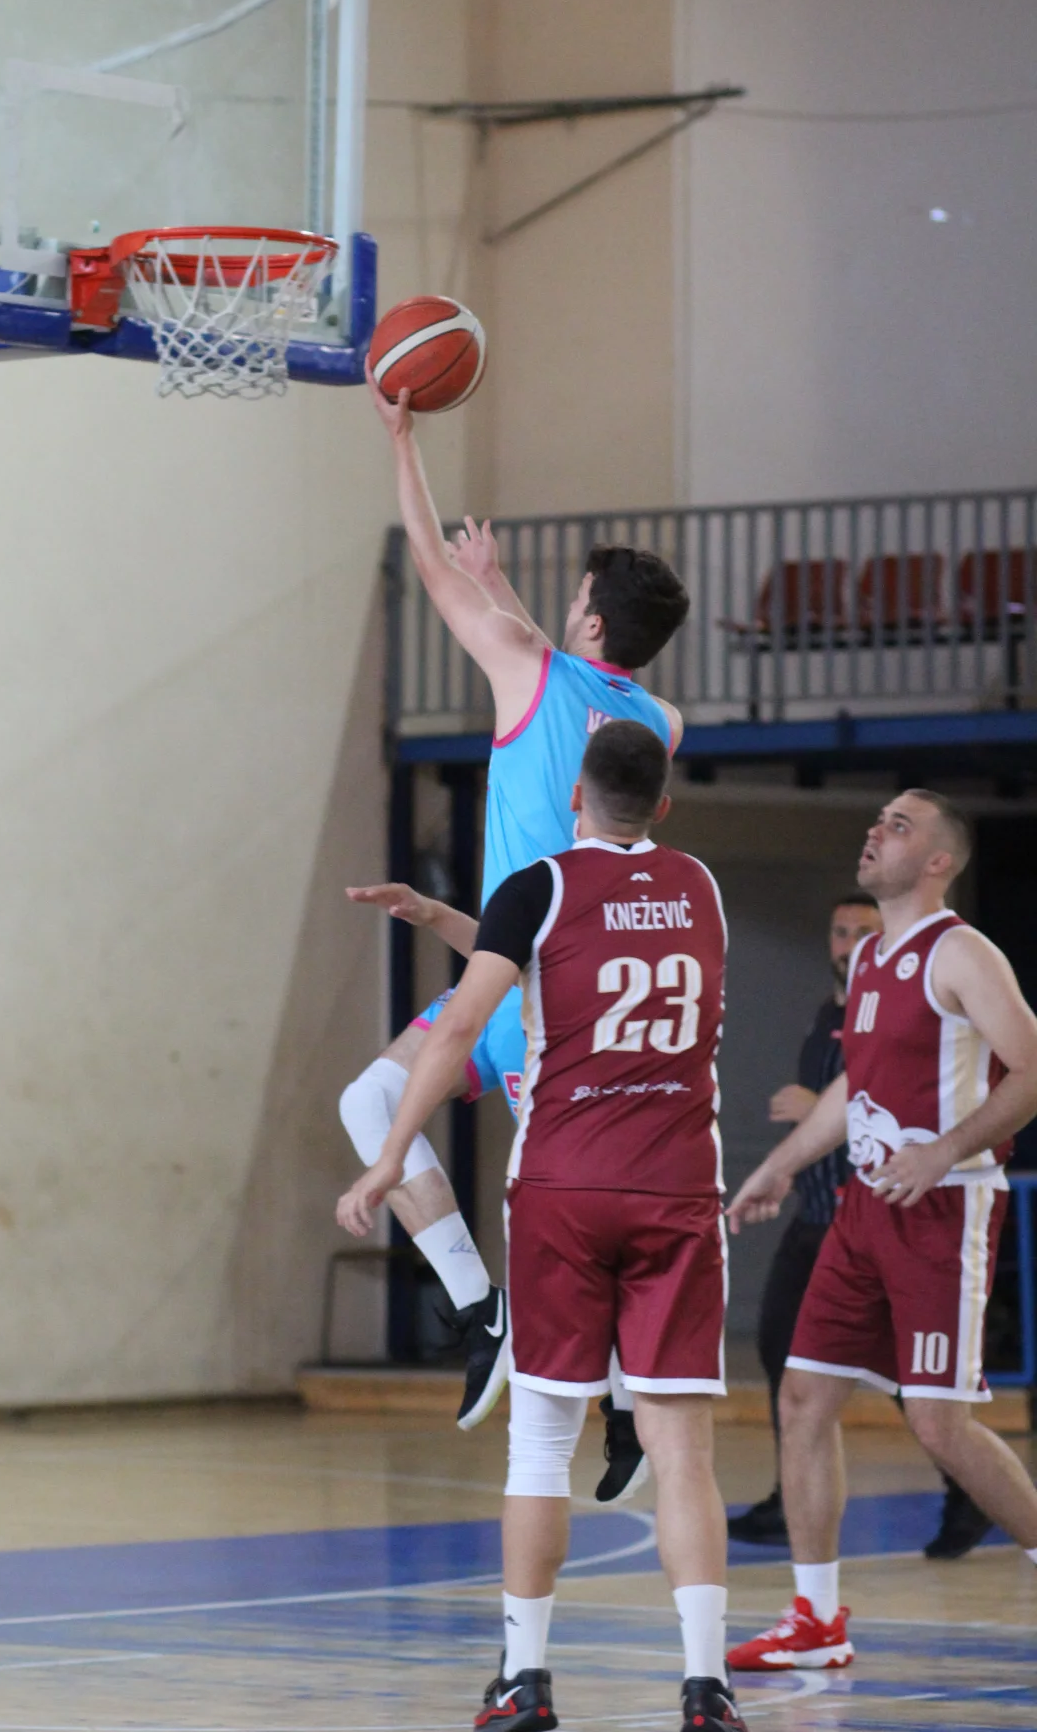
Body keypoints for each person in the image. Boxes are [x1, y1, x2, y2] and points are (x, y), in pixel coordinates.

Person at [338, 721, 747, 1732]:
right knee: (684, 1456)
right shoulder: (701, 888)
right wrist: (444, 914)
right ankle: (705, 1687)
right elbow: (585, 944)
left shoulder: (539, 888)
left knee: (538, 1448)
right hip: (676, 1187)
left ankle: (525, 1680)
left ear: (573, 795)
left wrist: (390, 1155)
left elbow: (468, 1019)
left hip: (565, 1187)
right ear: (661, 804)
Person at [339, 371, 687, 1448]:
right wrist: (512, 600)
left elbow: (430, 562)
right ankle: (484, 1314)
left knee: (560, 1214)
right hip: (540, 972)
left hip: (535, 993)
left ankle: (615, 1404)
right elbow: (570, 678)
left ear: (590, 615)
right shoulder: (658, 719)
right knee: (373, 1097)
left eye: (574, 597)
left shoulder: (530, 666)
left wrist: (402, 441)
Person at [725, 789, 1037, 1672]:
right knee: (802, 1397)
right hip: (864, 1208)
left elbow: (1032, 1067)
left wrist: (944, 1150)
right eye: (878, 821)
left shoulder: (962, 952)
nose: (875, 832)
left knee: (938, 1425)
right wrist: (782, 1165)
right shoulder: (867, 959)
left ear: (938, 861)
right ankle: (817, 1621)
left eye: (899, 826)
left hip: (944, 1207)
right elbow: (852, 1088)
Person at [727, 893, 881, 1545]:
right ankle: (789, 1496)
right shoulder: (826, 1015)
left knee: (908, 1379)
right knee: (778, 1348)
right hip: (812, 1213)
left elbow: (886, 1108)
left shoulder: (891, 1014)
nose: (848, 943)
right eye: (840, 931)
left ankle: (967, 1492)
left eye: (863, 932)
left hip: (863, 1218)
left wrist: (816, 1105)